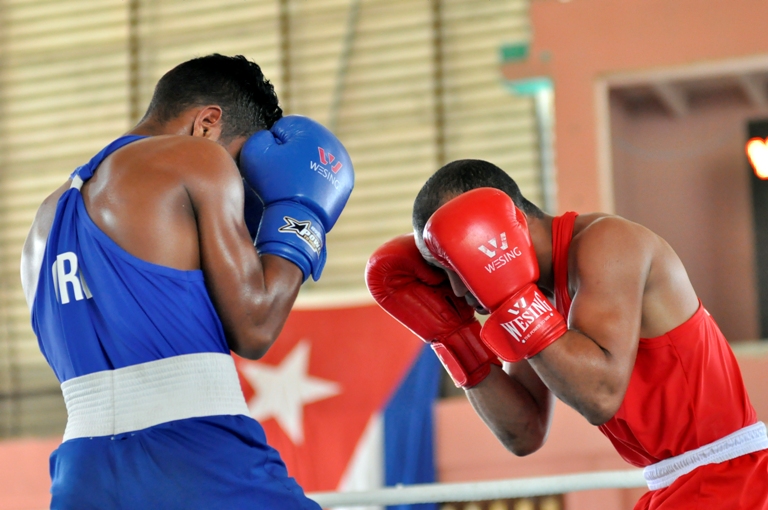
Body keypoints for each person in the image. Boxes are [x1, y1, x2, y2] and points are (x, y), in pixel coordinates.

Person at [20, 54, 353, 509]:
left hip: (82, 475)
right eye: (241, 167)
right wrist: (304, 217)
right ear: (207, 123)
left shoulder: (44, 221)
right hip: (194, 456)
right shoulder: (196, 159)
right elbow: (255, 326)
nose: (239, 186)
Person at [366, 159, 768, 509]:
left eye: (457, 262)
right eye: (442, 270)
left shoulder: (609, 244)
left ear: (502, 231)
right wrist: (455, 338)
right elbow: (523, 432)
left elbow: (600, 395)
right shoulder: (528, 291)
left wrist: (512, 300)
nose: (454, 289)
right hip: (675, 484)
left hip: (732, 479)